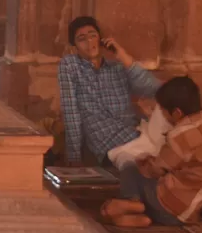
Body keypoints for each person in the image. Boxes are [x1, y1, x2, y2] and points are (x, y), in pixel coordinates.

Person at [101, 76, 202, 227]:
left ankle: (132, 206)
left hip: (170, 210)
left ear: (177, 113)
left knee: (130, 169)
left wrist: (143, 161)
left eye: (164, 112)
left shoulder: (179, 135)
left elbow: (155, 170)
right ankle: (137, 212)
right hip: (192, 209)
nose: (164, 117)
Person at [57, 16, 165, 166]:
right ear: (74, 46)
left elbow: (157, 90)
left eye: (93, 36)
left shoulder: (117, 67)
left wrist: (124, 57)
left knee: (174, 101)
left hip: (140, 134)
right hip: (113, 145)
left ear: (101, 40)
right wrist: (74, 158)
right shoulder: (71, 66)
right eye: (81, 39)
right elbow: (71, 114)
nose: (89, 42)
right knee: (143, 163)